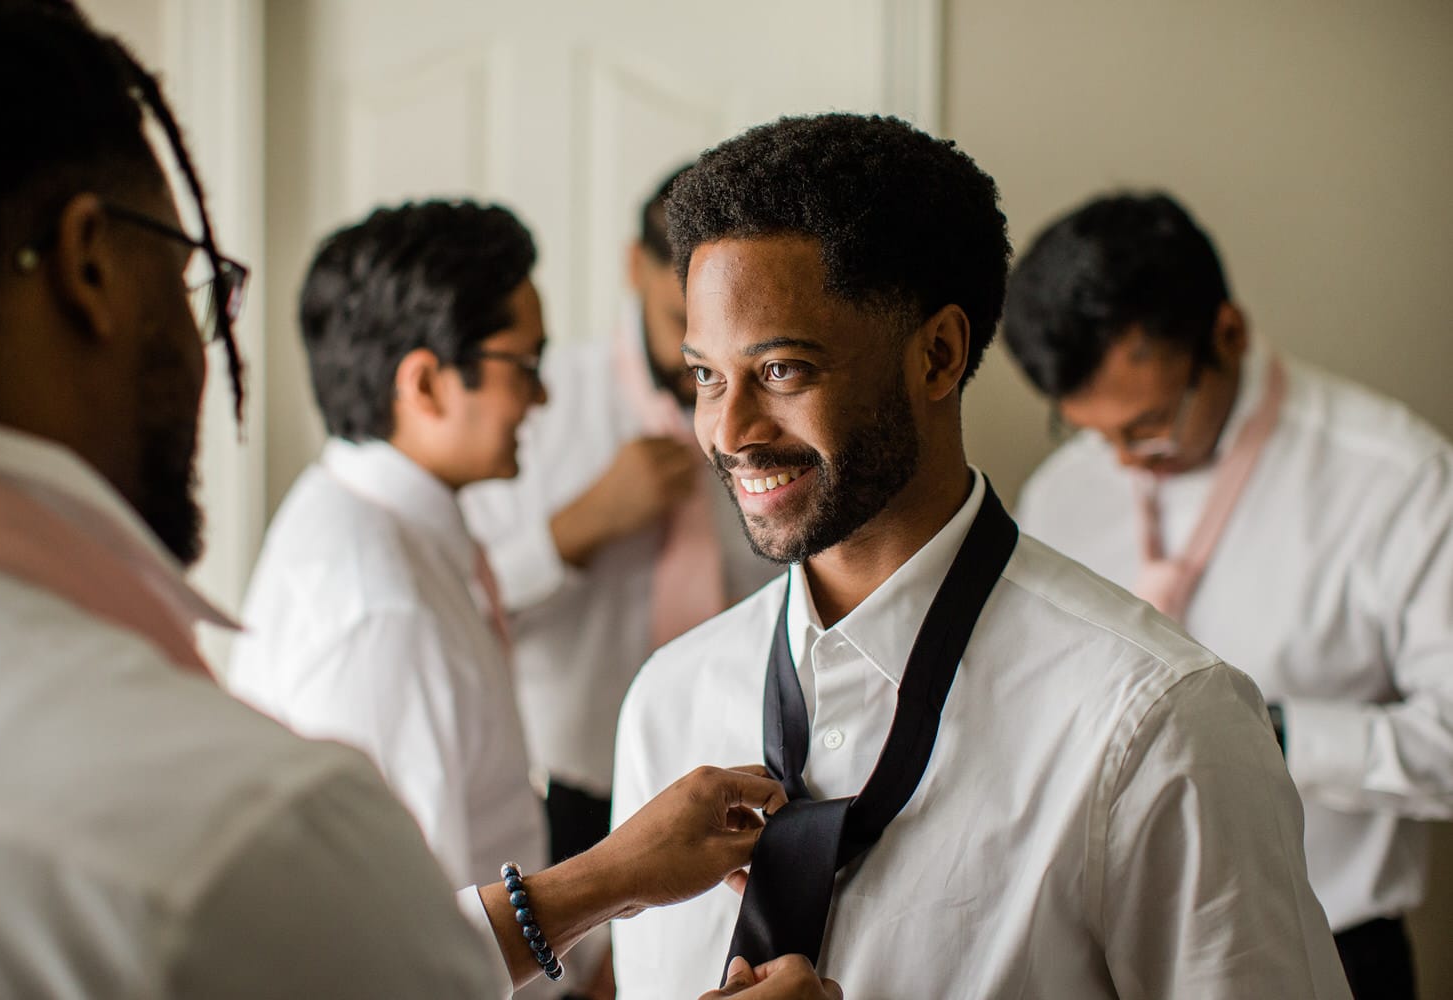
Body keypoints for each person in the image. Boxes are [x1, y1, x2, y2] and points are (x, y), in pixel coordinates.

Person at [0, 3, 842, 998]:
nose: (542, 396)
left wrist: (609, 878)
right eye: (198, 273)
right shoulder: (315, 714)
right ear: (88, 268)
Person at [609, 112, 1352, 999]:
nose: (728, 433)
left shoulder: (1161, 728)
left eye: (781, 371)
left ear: (938, 355)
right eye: (706, 377)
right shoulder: (667, 703)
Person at [1003, 191, 1453, 1000]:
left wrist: (1264, 735)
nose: (1124, 462)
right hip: (1096, 946)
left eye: (1146, 426)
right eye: (1091, 432)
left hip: (1328, 950)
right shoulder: (1061, 493)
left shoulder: (1397, 478)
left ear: (1228, 334)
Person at [227, 200, 552, 921]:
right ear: (426, 383)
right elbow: (403, 934)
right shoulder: (381, 607)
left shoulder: (367, 519)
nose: (542, 395)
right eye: (526, 365)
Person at [462, 166, 778, 866]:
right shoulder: (535, 404)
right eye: (680, 326)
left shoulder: (773, 414)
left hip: (740, 772)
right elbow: (465, 606)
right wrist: (579, 526)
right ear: (635, 267)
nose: (696, 359)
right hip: (572, 784)